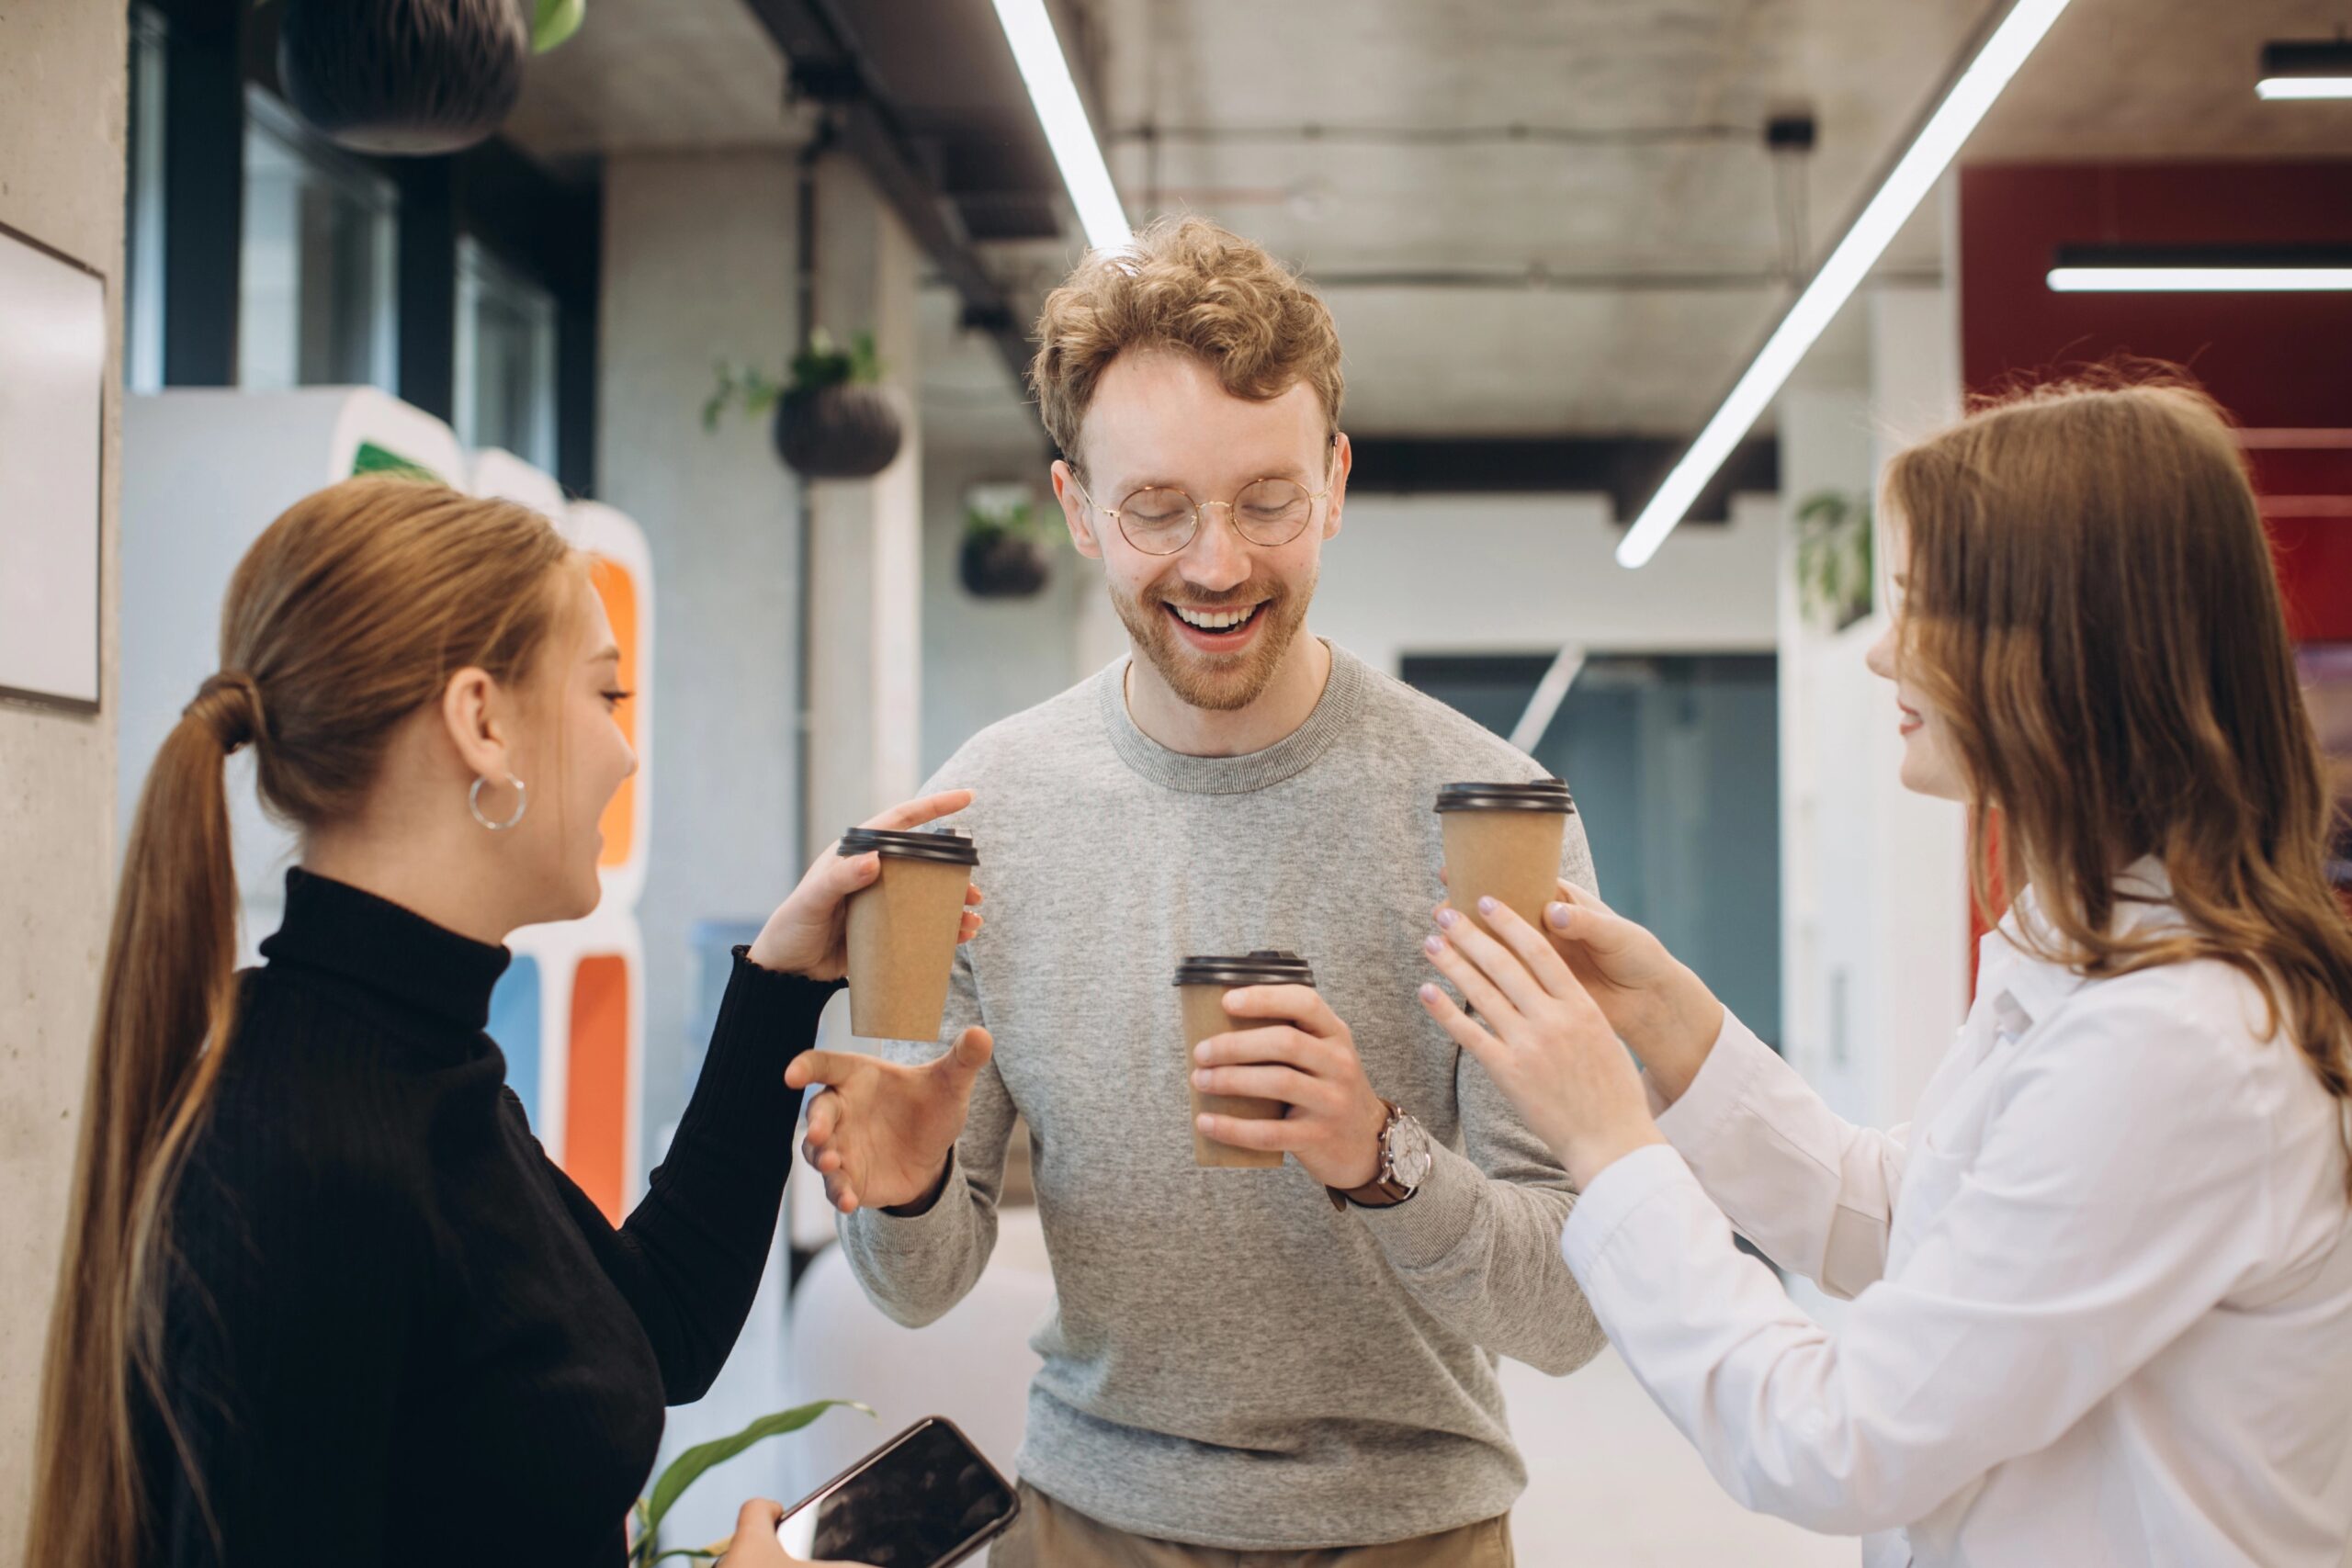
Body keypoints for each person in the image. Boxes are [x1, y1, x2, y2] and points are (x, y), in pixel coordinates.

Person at [1419, 379, 2352, 1566]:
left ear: (2065, 647)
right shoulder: (2083, 957)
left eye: (1920, 607)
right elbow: (1910, 1220)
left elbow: (1835, 1437)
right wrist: (1671, 1025)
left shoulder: (2178, 1043)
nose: (1880, 652)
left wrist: (1608, 1139)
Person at [786, 217, 1604, 1567]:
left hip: (1415, 1530)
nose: (1217, 563)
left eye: (1266, 501)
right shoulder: (974, 815)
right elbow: (911, 1283)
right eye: (1156, 508)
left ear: (1334, 482)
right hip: (1087, 1520)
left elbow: (1572, 1308)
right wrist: (911, 1178)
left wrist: (1375, 1151)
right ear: (1074, 509)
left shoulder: (1490, 814)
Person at [23, 477, 978, 1568]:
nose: (625, 753)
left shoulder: (422, 1065)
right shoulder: (307, 1148)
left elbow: (648, 1331)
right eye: (607, 698)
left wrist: (780, 983)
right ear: (481, 721)